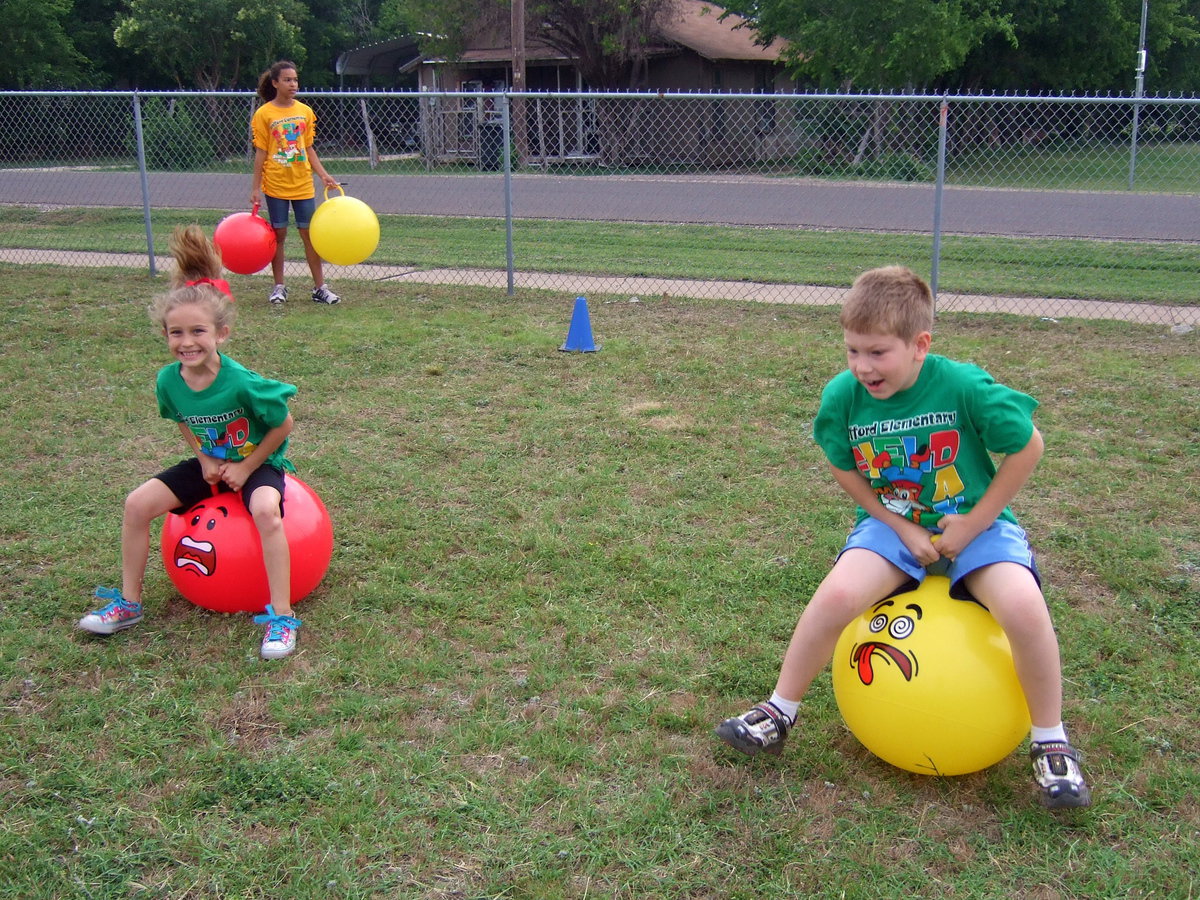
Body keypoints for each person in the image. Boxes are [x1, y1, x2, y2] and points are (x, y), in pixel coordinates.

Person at [714, 265, 1090, 809]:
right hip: (896, 523)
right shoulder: (844, 396)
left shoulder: (961, 385)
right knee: (839, 594)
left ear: (920, 345)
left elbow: (1027, 445)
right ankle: (778, 710)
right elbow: (841, 463)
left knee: (1024, 607)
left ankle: (1051, 740)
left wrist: (974, 523)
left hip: (976, 525)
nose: (863, 367)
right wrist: (898, 524)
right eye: (852, 351)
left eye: (877, 353)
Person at [78, 225, 305, 659]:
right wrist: (203, 458)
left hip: (258, 464)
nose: (187, 342)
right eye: (176, 333)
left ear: (221, 333)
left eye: (198, 332)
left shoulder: (241, 382)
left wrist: (246, 467)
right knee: (135, 505)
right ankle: (128, 603)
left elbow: (284, 424)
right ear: (165, 335)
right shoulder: (169, 381)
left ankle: (281, 616)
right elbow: (182, 418)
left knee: (265, 512)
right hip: (212, 465)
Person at [251, 59, 341, 306]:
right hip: (276, 185)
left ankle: (320, 288)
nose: (293, 84)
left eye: (295, 79)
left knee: (309, 235)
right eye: (288, 80)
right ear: (275, 83)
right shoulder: (264, 114)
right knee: (278, 236)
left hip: (302, 185)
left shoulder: (304, 111)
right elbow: (261, 153)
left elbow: (308, 148)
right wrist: (255, 188)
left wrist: (323, 174)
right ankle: (279, 287)